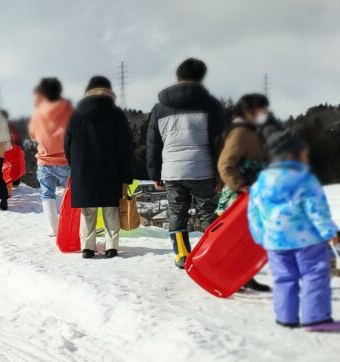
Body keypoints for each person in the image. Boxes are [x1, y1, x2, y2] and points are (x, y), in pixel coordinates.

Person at [247, 131, 338, 328]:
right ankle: (316, 318)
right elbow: (317, 210)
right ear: (291, 155)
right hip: (307, 239)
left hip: (275, 241)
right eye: (304, 155)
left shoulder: (261, 182)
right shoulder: (304, 179)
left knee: (283, 278)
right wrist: (330, 232)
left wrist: (261, 236)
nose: (306, 159)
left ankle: (286, 318)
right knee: (314, 274)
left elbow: (254, 213)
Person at [147, 58, 227, 269]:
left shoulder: (160, 107)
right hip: (202, 169)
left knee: (176, 213)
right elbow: (219, 142)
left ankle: (182, 255)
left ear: (178, 76)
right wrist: (221, 173)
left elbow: (152, 143)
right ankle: (215, 253)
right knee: (207, 213)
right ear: (201, 77)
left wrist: (155, 173)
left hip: (172, 171)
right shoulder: (211, 105)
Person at [65, 76, 135, 259]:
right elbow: (126, 147)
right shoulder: (116, 114)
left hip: (83, 170)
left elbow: (67, 144)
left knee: (87, 211)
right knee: (110, 209)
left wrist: (76, 166)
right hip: (110, 170)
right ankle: (111, 247)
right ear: (109, 91)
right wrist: (127, 176)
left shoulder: (76, 115)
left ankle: (87, 247)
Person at [217, 93, 273, 292]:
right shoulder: (240, 132)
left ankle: (244, 276)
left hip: (250, 194)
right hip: (239, 196)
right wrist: (239, 185)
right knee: (238, 240)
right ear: (250, 111)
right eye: (262, 109)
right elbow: (225, 164)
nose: (265, 113)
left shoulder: (250, 131)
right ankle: (231, 276)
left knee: (247, 239)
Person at [29, 77, 75, 235]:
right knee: (73, 193)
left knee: (47, 194)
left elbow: (33, 134)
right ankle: (73, 224)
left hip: (44, 159)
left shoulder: (37, 112)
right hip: (66, 160)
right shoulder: (69, 109)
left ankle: (53, 229)